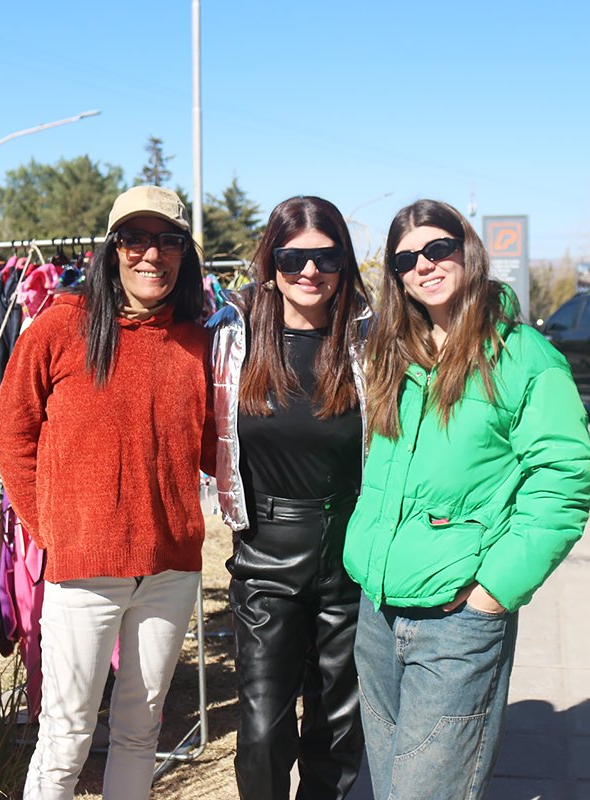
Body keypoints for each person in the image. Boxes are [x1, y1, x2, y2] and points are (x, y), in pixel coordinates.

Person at [343, 199, 590, 800]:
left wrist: (493, 592)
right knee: (390, 788)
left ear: (468, 251)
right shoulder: (393, 354)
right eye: (406, 259)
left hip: (457, 619)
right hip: (377, 613)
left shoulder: (522, 356)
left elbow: (565, 480)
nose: (423, 266)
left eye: (437, 249)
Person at [0, 184, 214, 800]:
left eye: (168, 240)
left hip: (170, 569)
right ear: (111, 249)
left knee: (142, 730)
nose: (152, 255)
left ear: (184, 254)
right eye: (135, 239)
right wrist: (51, 532)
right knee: (66, 734)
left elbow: (213, 449)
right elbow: (11, 433)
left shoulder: (196, 343)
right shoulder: (60, 326)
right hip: (84, 571)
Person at [210, 195, 371, 800]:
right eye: (292, 256)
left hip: (351, 549)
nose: (310, 272)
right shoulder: (232, 338)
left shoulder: (367, 341)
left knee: (337, 726)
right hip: (266, 551)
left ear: (344, 264)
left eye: (326, 258)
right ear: (270, 262)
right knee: (260, 731)